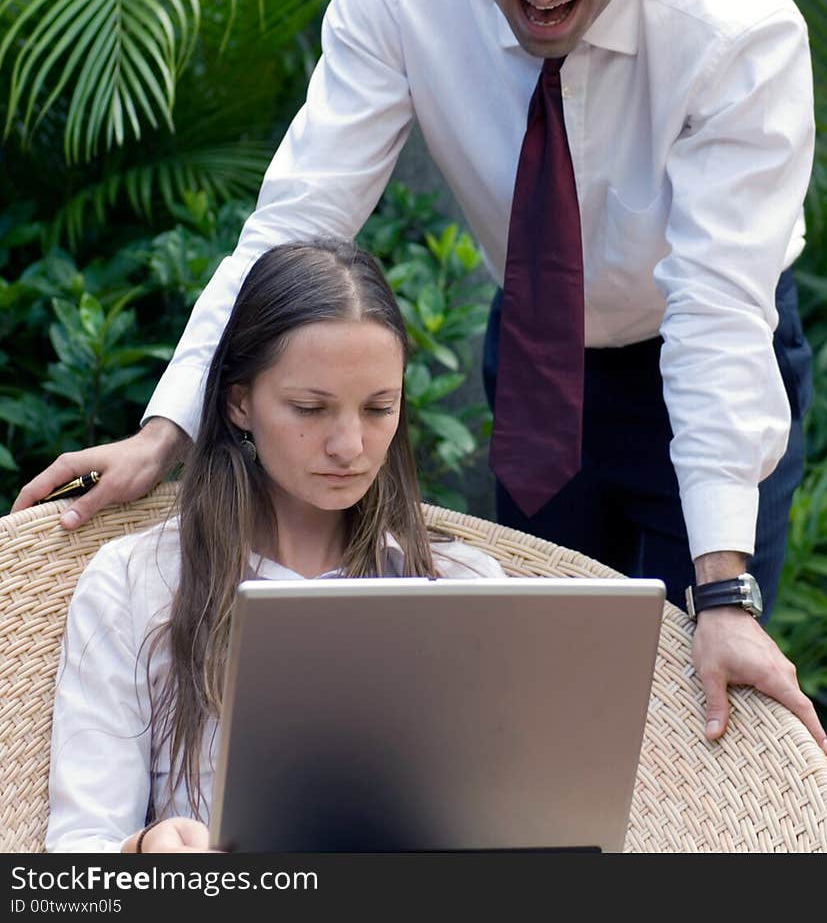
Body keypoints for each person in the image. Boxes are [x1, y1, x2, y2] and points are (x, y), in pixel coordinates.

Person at [19, 0, 827, 755]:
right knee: (539, 692)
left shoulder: (736, 27)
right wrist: (166, 425)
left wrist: (725, 587)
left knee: (692, 703)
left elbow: (717, 311)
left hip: (709, 357)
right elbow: (295, 225)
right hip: (537, 352)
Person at [45, 238, 504, 853]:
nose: (350, 445)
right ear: (239, 401)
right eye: (310, 408)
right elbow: (78, 860)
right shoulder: (138, 583)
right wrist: (145, 852)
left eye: (379, 408)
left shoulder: (465, 585)